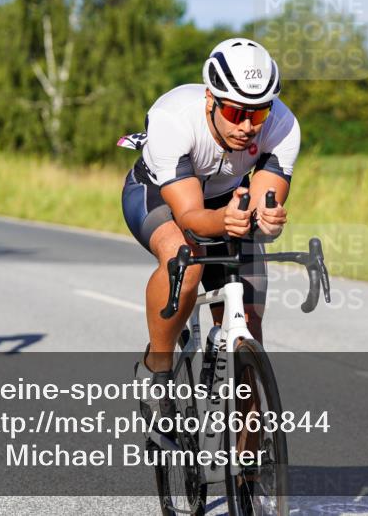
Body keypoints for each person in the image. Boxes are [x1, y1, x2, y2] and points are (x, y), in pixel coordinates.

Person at [120, 38, 300, 416]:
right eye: (236, 113)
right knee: (184, 261)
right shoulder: (173, 118)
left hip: (226, 199)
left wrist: (267, 220)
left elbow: (264, 203)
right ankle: (158, 369)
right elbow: (189, 217)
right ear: (211, 100)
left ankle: (251, 468)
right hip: (160, 196)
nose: (249, 127)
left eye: (258, 113)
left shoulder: (283, 125)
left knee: (248, 329)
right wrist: (225, 221)